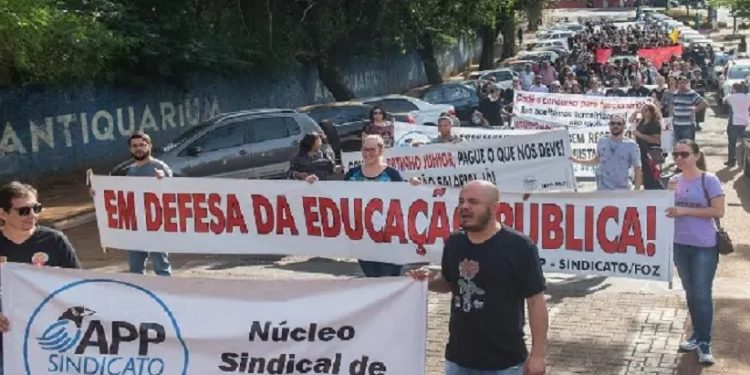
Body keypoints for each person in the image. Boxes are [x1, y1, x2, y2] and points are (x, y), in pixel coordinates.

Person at [408, 180, 548, 375]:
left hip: (505, 363)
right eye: (461, 201)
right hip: (458, 360)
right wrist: (426, 281)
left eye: (473, 202)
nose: (464, 207)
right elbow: (448, 282)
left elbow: (536, 302)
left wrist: (538, 355)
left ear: (494, 208)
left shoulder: (520, 247)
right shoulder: (454, 242)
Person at [0, 181, 82, 374]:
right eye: (23, 211)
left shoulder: (55, 241)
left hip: (48, 336)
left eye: (36, 208)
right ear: (2, 213)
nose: (32, 216)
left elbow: (78, 284)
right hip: (6, 341)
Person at [666, 140, 724, 366]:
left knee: (701, 293)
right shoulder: (673, 181)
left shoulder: (709, 180)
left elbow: (718, 211)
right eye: (676, 154)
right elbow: (666, 209)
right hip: (680, 244)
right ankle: (696, 335)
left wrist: (683, 210)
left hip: (704, 245)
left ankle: (705, 341)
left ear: (697, 156)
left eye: (684, 154)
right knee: (690, 292)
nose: (679, 158)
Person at [344, 135, 420, 277]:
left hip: (390, 238)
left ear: (380, 151)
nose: (367, 153)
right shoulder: (352, 175)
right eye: (364, 149)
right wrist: (312, 184)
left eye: (372, 149)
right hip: (364, 239)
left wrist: (413, 187)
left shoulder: (392, 175)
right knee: (372, 278)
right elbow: (338, 198)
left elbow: (406, 199)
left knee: (390, 277)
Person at [117, 132, 173, 276]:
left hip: (156, 226)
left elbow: (173, 193)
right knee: (135, 270)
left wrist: (164, 181)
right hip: (135, 226)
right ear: (130, 149)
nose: (138, 148)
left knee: (161, 268)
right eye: (134, 146)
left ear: (149, 146)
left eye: (142, 145)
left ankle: (166, 294)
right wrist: (98, 193)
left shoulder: (159, 167)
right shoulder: (131, 171)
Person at [571, 115, 643, 191]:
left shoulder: (631, 145)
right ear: (609, 125)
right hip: (603, 189)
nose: (615, 126)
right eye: (613, 123)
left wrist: (636, 191)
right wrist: (576, 160)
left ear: (624, 126)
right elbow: (597, 160)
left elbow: (637, 168)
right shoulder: (602, 141)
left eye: (619, 124)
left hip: (622, 189)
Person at [632, 103, 664, 189]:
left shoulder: (655, 124)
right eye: (642, 110)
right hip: (642, 151)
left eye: (646, 110)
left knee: (654, 176)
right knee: (645, 176)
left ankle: (659, 193)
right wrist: (635, 112)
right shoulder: (642, 121)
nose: (643, 112)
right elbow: (630, 121)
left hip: (653, 152)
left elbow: (656, 140)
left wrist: (640, 135)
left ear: (652, 112)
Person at [722, 82, 750, 167]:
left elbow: (724, 101)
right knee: (744, 143)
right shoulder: (748, 96)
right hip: (745, 121)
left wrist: (730, 92)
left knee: (732, 143)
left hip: (734, 122)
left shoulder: (731, 96)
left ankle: (732, 161)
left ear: (734, 89)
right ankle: (742, 161)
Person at [672, 75, 707, 142]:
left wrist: (694, 111)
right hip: (676, 125)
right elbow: (672, 106)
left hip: (688, 125)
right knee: (678, 147)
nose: (681, 85)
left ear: (686, 83)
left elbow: (704, 103)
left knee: (688, 146)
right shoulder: (675, 94)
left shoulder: (692, 93)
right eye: (679, 83)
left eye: (683, 83)